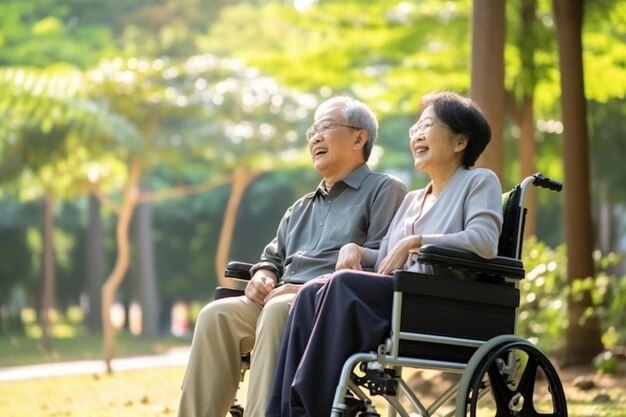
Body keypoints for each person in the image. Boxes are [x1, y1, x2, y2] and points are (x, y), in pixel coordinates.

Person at [266, 91, 504, 417]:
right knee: (310, 292)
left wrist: (415, 241)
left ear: (460, 141)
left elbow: (485, 241)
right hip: (399, 297)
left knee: (342, 285)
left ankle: (310, 406)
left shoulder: (479, 181)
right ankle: (285, 411)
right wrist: (357, 250)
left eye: (428, 125)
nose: (417, 134)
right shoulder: (413, 199)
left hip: (436, 300)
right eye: (415, 128)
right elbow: (384, 260)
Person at [177, 96, 407, 417]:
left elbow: (383, 264)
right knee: (217, 316)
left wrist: (301, 290)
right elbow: (273, 257)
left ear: (359, 137)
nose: (314, 137)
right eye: (312, 130)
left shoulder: (384, 189)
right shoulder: (300, 208)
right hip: (280, 299)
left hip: (331, 308)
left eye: (325, 127)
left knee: (276, 310)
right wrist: (264, 275)